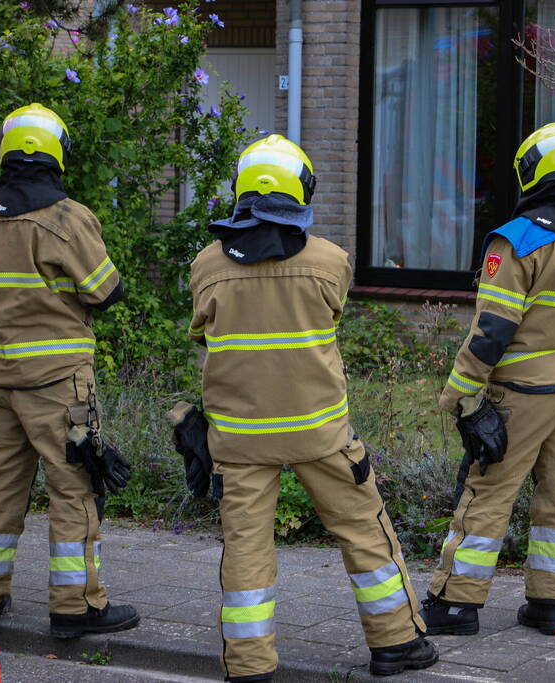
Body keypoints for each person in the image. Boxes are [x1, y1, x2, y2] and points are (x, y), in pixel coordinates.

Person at [184, 134, 438, 680]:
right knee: (364, 529)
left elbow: (204, 337)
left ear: (241, 190)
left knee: (246, 548)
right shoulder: (331, 261)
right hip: (320, 433)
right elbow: (328, 318)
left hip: (239, 437)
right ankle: (396, 643)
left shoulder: (206, 266)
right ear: (302, 190)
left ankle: (249, 664)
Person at [420, 123, 555, 638]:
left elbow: (492, 330)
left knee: (487, 490)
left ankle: (455, 604)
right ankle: (550, 605)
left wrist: (460, 396)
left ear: (532, 172)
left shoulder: (516, 241)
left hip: (524, 392)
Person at [0, 103, 137, 639]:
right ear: (58, 154)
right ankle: (76, 608)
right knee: (74, 488)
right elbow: (106, 291)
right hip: (58, 382)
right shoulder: (67, 218)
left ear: (5, 151)